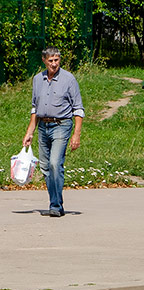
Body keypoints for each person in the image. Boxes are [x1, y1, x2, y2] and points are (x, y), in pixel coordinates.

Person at [21, 48, 83, 217]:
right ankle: (55, 201)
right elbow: (35, 108)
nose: (54, 64)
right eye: (51, 61)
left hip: (61, 126)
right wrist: (30, 132)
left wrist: (76, 135)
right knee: (46, 167)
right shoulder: (37, 79)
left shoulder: (68, 79)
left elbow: (78, 109)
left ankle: (55, 205)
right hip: (43, 126)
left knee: (56, 163)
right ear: (44, 61)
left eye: (56, 60)